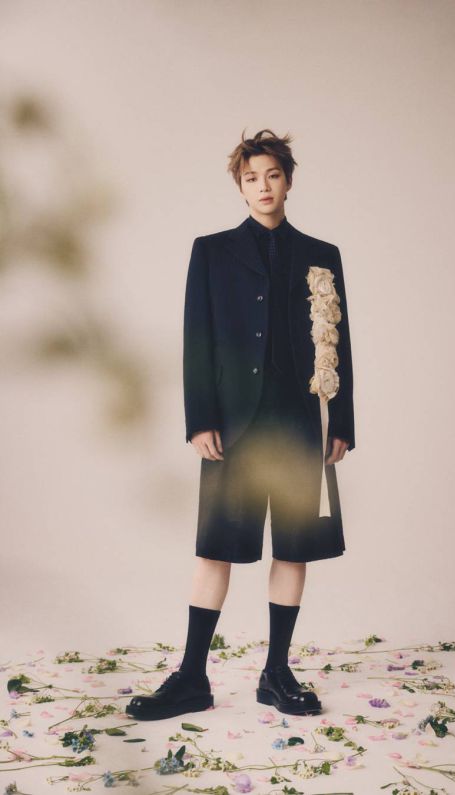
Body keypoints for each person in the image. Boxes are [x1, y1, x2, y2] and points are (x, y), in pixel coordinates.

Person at [126, 129, 355, 721]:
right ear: (240, 186)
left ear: (288, 181)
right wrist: (199, 419)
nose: (263, 186)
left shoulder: (322, 254)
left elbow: (339, 343)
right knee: (218, 547)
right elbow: (196, 339)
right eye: (252, 178)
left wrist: (341, 422)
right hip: (234, 422)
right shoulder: (212, 251)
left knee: (295, 547)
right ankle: (191, 678)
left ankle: (276, 673)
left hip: (301, 419)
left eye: (272, 175)